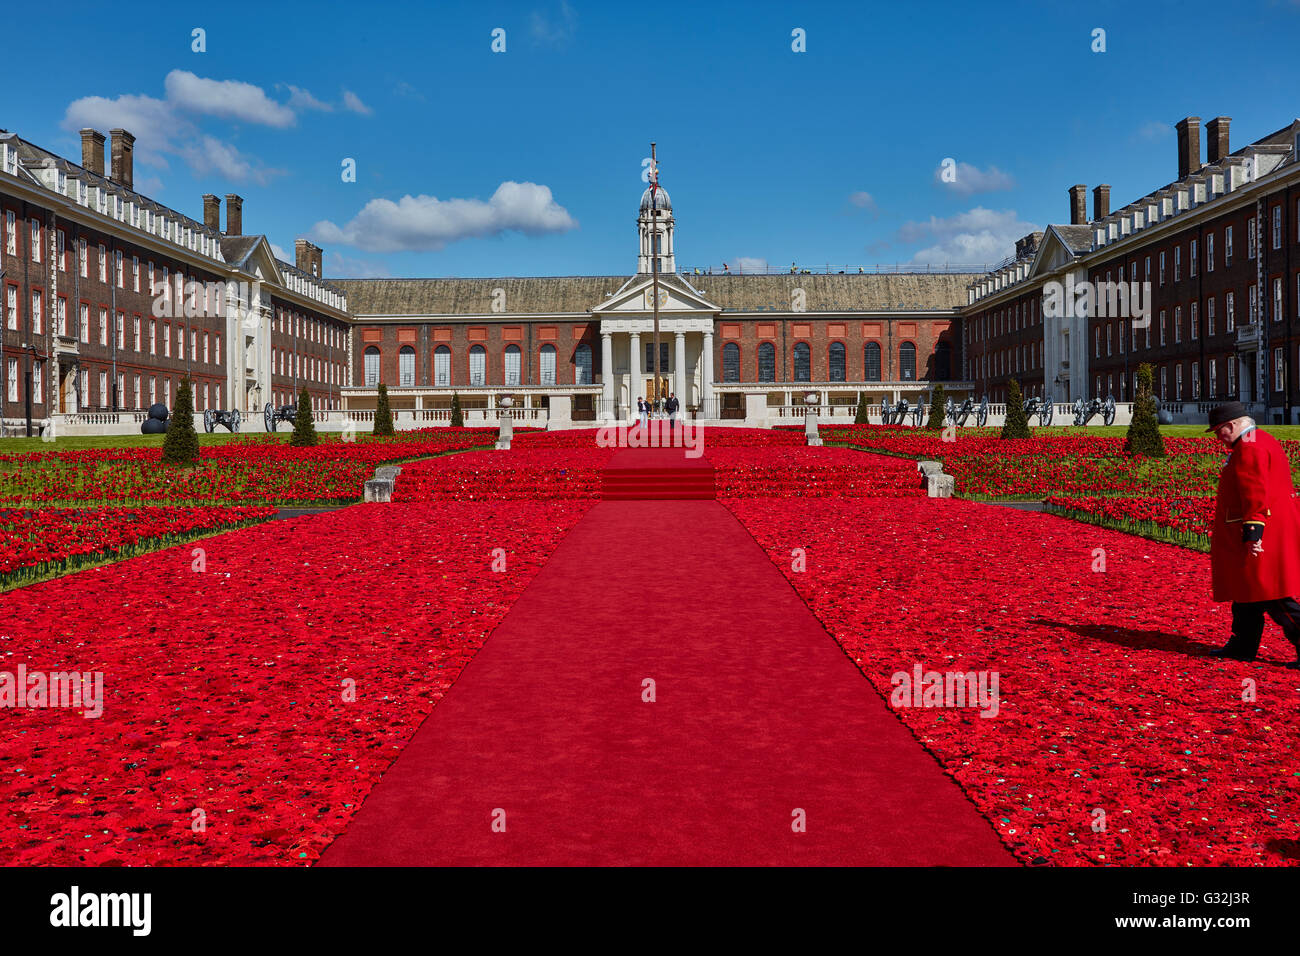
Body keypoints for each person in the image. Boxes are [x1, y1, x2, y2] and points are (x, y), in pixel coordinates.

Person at [1206, 402, 1300, 667]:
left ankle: (1246, 645)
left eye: (1218, 431)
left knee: (1272, 594)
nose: (1218, 437)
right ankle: (1242, 645)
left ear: (1232, 425)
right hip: (1273, 526)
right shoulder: (1260, 439)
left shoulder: (1249, 446)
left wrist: (1252, 533)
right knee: (1247, 592)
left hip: (1264, 531)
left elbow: (1254, 490)